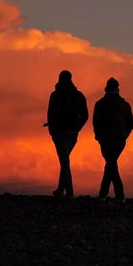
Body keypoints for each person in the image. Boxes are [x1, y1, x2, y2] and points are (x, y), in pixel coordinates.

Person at [45, 70, 88, 198]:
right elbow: (85, 115)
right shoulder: (79, 95)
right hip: (72, 134)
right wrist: (77, 128)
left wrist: (52, 131)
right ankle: (60, 189)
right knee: (65, 160)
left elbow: (50, 114)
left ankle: (69, 193)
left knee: (64, 162)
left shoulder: (55, 95)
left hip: (60, 133)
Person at [92, 78, 133, 201]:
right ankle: (109, 194)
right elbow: (131, 123)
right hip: (119, 139)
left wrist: (98, 136)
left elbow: (95, 122)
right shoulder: (125, 105)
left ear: (106, 89)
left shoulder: (100, 104)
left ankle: (111, 194)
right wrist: (125, 134)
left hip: (105, 139)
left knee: (111, 164)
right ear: (118, 89)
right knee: (111, 164)